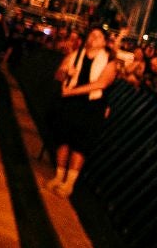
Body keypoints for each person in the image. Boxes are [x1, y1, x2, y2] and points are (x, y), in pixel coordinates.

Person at [50, 27, 118, 195]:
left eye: (99, 36)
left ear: (104, 42)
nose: (94, 38)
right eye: (92, 34)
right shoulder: (75, 55)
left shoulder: (109, 61)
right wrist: (65, 72)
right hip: (70, 103)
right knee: (63, 139)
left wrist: (71, 91)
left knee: (80, 144)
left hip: (91, 105)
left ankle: (69, 183)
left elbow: (101, 84)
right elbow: (58, 75)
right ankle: (59, 176)